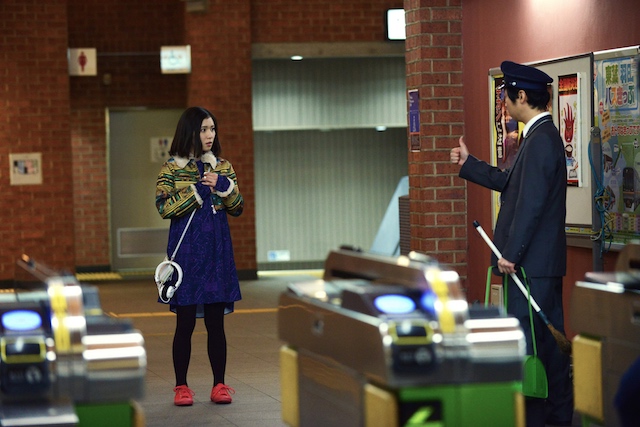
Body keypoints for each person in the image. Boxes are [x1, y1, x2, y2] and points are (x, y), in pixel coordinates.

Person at [450, 61, 573, 426]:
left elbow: (531, 204)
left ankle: (546, 420)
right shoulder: (538, 137)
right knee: (543, 346)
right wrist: (469, 164)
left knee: (535, 348)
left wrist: (511, 255)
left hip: (531, 267)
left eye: (505, 95)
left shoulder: (541, 140)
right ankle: (553, 419)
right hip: (535, 265)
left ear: (521, 96)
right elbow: (510, 182)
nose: (502, 102)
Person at [155, 106, 244, 406]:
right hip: (186, 258)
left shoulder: (223, 167)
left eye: (212, 129)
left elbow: (238, 207)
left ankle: (219, 385)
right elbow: (163, 207)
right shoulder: (171, 169)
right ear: (191, 132)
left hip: (217, 256)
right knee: (185, 324)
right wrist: (196, 191)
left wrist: (223, 186)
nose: (210, 135)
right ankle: (181, 387)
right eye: (204, 129)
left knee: (216, 323)